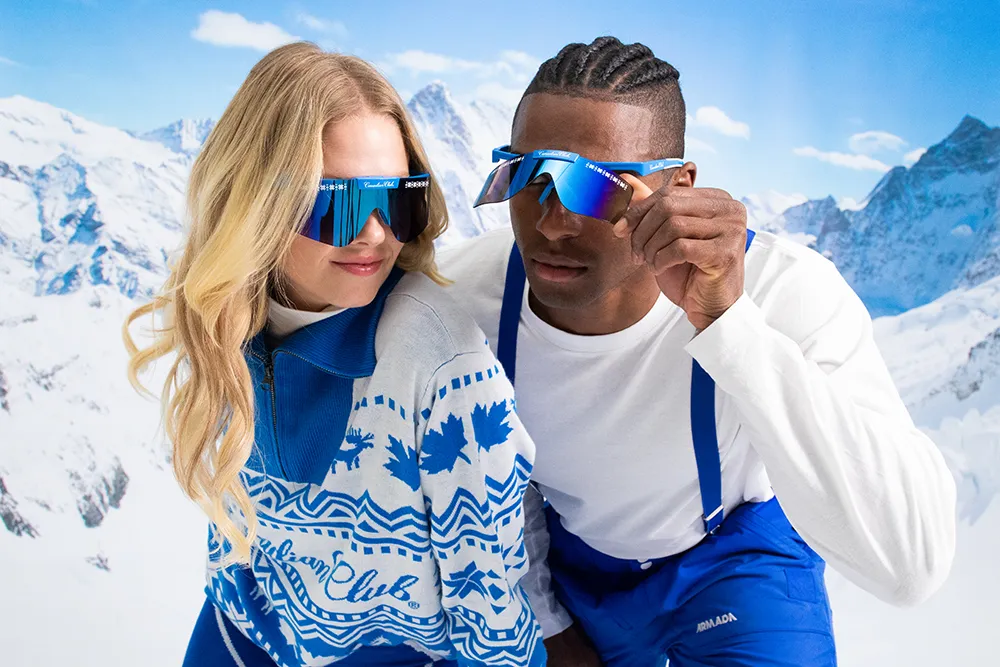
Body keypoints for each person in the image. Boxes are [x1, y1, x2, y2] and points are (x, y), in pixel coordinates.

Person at [439, 36, 957, 666]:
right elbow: (487, 485)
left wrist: (728, 324)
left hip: (735, 561)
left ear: (677, 188)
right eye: (525, 175)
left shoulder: (783, 290)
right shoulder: (463, 299)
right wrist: (547, 623)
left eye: (595, 189)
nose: (551, 224)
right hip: (576, 565)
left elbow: (911, 567)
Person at [124, 42, 545, 667]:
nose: (374, 233)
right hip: (241, 632)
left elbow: (493, 612)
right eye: (337, 204)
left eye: (397, 200)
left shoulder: (442, 365)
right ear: (257, 203)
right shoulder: (222, 315)